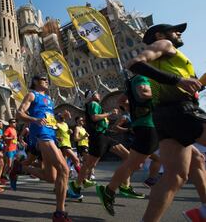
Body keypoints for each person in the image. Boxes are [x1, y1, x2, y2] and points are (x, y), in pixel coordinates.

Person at [128, 23, 206, 221]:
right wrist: (178, 81)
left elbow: (191, 87)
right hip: (182, 110)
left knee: (175, 176)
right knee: (177, 174)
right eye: (175, 30)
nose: (178, 33)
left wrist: (192, 83)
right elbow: (135, 63)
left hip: (164, 114)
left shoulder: (170, 59)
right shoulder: (163, 44)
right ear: (160, 34)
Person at [96, 74, 160, 216]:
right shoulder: (142, 77)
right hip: (146, 127)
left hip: (150, 127)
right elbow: (143, 93)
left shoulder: (136, 82)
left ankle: (146, 181)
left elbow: (121, 100)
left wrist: (132, 108)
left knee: (140, 162)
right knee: (132, 163)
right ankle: (109, 191)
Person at [11, 75, 71, 222]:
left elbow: (49, 117)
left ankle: (20, 167)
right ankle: (59, 214)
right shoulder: (32, 95)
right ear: (36, 82)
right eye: (43, 79)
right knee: (64, 170)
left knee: (51, 178)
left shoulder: (49, 99)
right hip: (41, 134)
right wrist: (34, 120)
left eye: (47, 79)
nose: (47, 81)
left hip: (51, 134)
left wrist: (60, 117)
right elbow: (19, 113)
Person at [69, 90, 144, 200]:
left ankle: (125, 186)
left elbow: (97, 120)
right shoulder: (93, 104)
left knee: (128, 157)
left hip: (105, 136)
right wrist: (110, 113)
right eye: (96, 93)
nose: (99, 95)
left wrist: (107, 121)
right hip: (98, 137)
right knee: (89, 164)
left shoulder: (97, 105)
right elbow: (94, 117)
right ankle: (75, 186)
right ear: (92, 96)